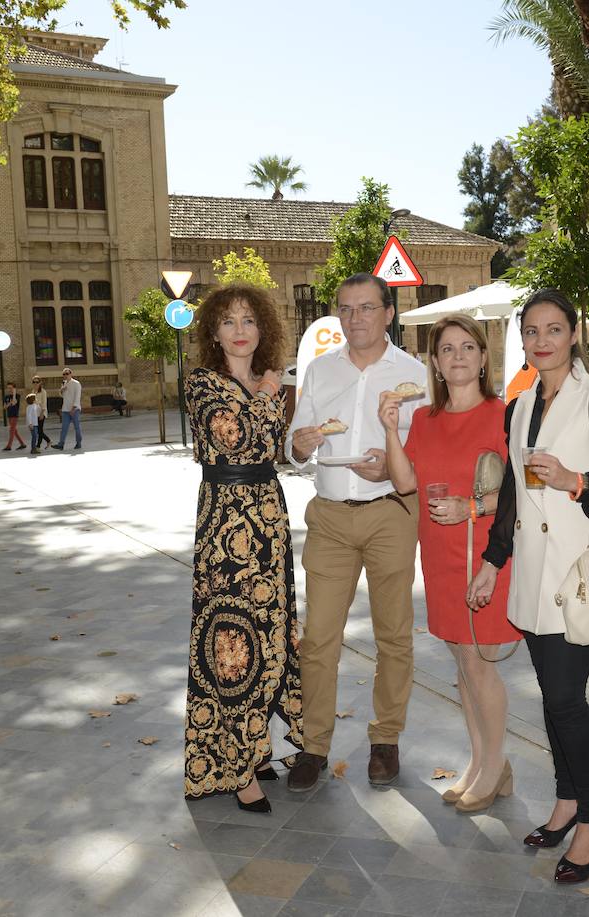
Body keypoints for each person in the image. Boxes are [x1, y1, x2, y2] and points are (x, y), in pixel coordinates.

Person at [468, 289, 589, 885]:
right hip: (532, 578)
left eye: (554, 330)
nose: (542, 341)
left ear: (573, 335)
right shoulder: (517, 407)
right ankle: (567, 802)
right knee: (552, 698)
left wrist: (573, 481)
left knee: (567, 700)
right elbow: (512, 495)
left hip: (577, 574)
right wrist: (492, 561)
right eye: (532, 331)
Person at [284, 273, 428, 791]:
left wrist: (391, 467)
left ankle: (385, 739)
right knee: (319, 637)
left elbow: (425, 452)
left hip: (391, 511)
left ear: (388, 313)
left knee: (394, 635)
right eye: (346, 309)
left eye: (366, 307)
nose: (355, 318)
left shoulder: (414, 374)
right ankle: (313, 746)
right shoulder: (319, 371)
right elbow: (297, 448)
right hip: (330, 516)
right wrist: (299, 446)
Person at [380, 314, 519, 814]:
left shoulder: (504, 415)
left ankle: (494, 764)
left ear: (483, 358)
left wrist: (472, 508)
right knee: (462, 665)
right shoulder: (424, 420)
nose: (457, 356)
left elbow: (518, 494)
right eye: (446, 350)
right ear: (434, 363)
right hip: (438, 555)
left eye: (467, 347)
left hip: (486, 555)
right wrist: (391, 431)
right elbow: (404, 483)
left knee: (480, 664)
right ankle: (483, 763)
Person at [183, 283, 303, 814]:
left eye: (249, 321)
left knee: (270, 630)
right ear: (213, 331)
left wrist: (302, 437)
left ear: (263, 330)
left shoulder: (267, 384)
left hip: (269, 518)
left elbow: (272, 448)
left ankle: (257, 749)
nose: (239, 330)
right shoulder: (203, 384)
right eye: (228, 321)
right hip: (225, 521)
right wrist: (266, 397)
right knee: (230, 638)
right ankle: (236, 771)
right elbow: (232, 438)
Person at [52, 368, 83, 450]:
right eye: (64, 374)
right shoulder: (64, 383)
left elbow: (77, 397)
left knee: (77, 427)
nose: (65, 375)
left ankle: (78, 443)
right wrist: (61, 390)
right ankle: (61, 444)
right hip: (65, 409)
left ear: (71, 374)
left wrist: (73, 408)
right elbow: (62, 396)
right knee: (64, 428)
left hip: (74, 409)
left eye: (67, 373)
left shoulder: (76, 383)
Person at [3, 383, 26, 451]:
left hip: (15, 415)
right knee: (14, 431)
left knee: (11, 430)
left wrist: (14, 394)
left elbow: (14, 402)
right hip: (9, 415)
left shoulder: (17, 396)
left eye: (11, 388)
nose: (9, 389)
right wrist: (9, 404)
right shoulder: (6, 397)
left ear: (14, 389)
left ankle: (9, 446)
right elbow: (4, 407)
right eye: (8, 388)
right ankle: (22, 444)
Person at [28, 375, 50, 447]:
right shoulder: (33, 391)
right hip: (35, 414)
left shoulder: (43, 392)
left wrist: (42, 414)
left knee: (39, 430)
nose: (35, 383)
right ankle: (48, 441)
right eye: (33, 382)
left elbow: (44, 403)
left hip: (41, 413)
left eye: (37, 382)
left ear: (40, 383)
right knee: (38, 431)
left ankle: (38, 446)